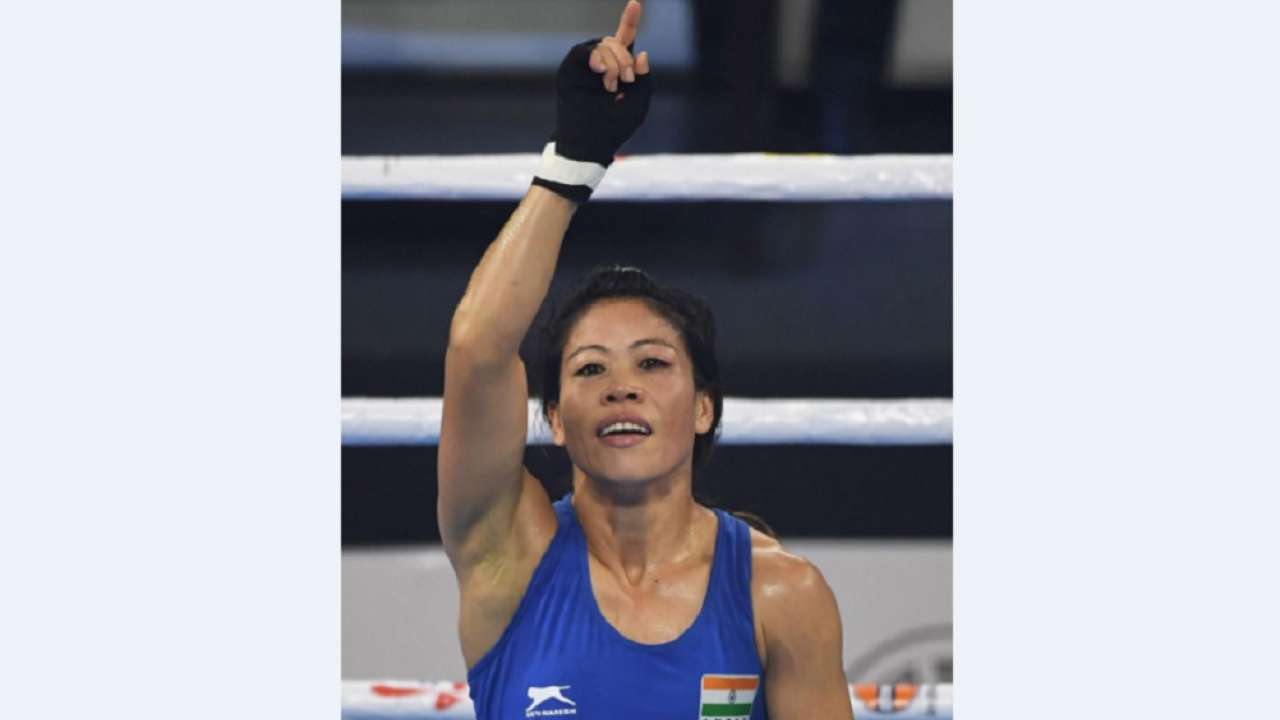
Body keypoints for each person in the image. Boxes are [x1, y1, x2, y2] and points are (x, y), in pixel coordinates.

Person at [437, 3, 853, 717]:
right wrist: (572, 163)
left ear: (704, 407)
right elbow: (478, 349)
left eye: (652, 364)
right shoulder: (509, 556)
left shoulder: (780, 594)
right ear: (554, 418)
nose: (621, 388)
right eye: (590, 368)